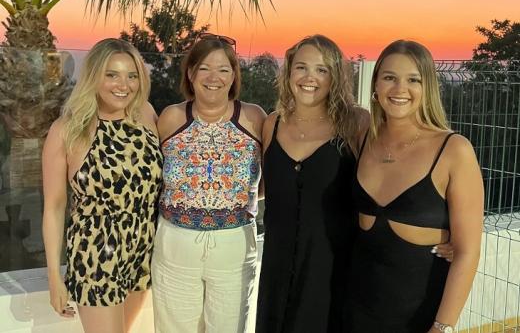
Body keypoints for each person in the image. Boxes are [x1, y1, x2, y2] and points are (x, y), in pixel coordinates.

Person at [347, 40, 483, 333]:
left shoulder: (453, 150)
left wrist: (442, 326)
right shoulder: (362, 138)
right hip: (353, 311)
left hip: (418, 320)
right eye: (389, 77)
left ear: (428, 88)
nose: (399, 89)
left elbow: (467, 252)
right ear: (376, 85)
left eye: (413, 79)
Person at [42, 38, 163, 333]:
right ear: (94, 76)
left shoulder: (145, 114)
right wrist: (54, 277)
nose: (123, 85)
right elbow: (55, 206)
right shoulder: (68, 130)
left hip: (143, 249)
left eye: (131, 75)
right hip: (96, 254)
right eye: (112, 75)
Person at [151, 33, 266, 333]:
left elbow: (269, 178)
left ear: (233, 76)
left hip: (235, 246)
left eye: (224, 69)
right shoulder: (171, 118)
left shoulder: (254, 118)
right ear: (190, 73)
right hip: (175, 244)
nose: (214, 77)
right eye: (204, 68)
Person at [256, 34, 367, 333]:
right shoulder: (272, 124)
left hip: (331, 275)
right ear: (289, 72)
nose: (310, 77)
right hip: (277, 273)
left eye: (322, 70)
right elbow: (259, 187)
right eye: (301, 67)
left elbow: (390, 175)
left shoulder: (356, 124)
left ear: (336, 78)